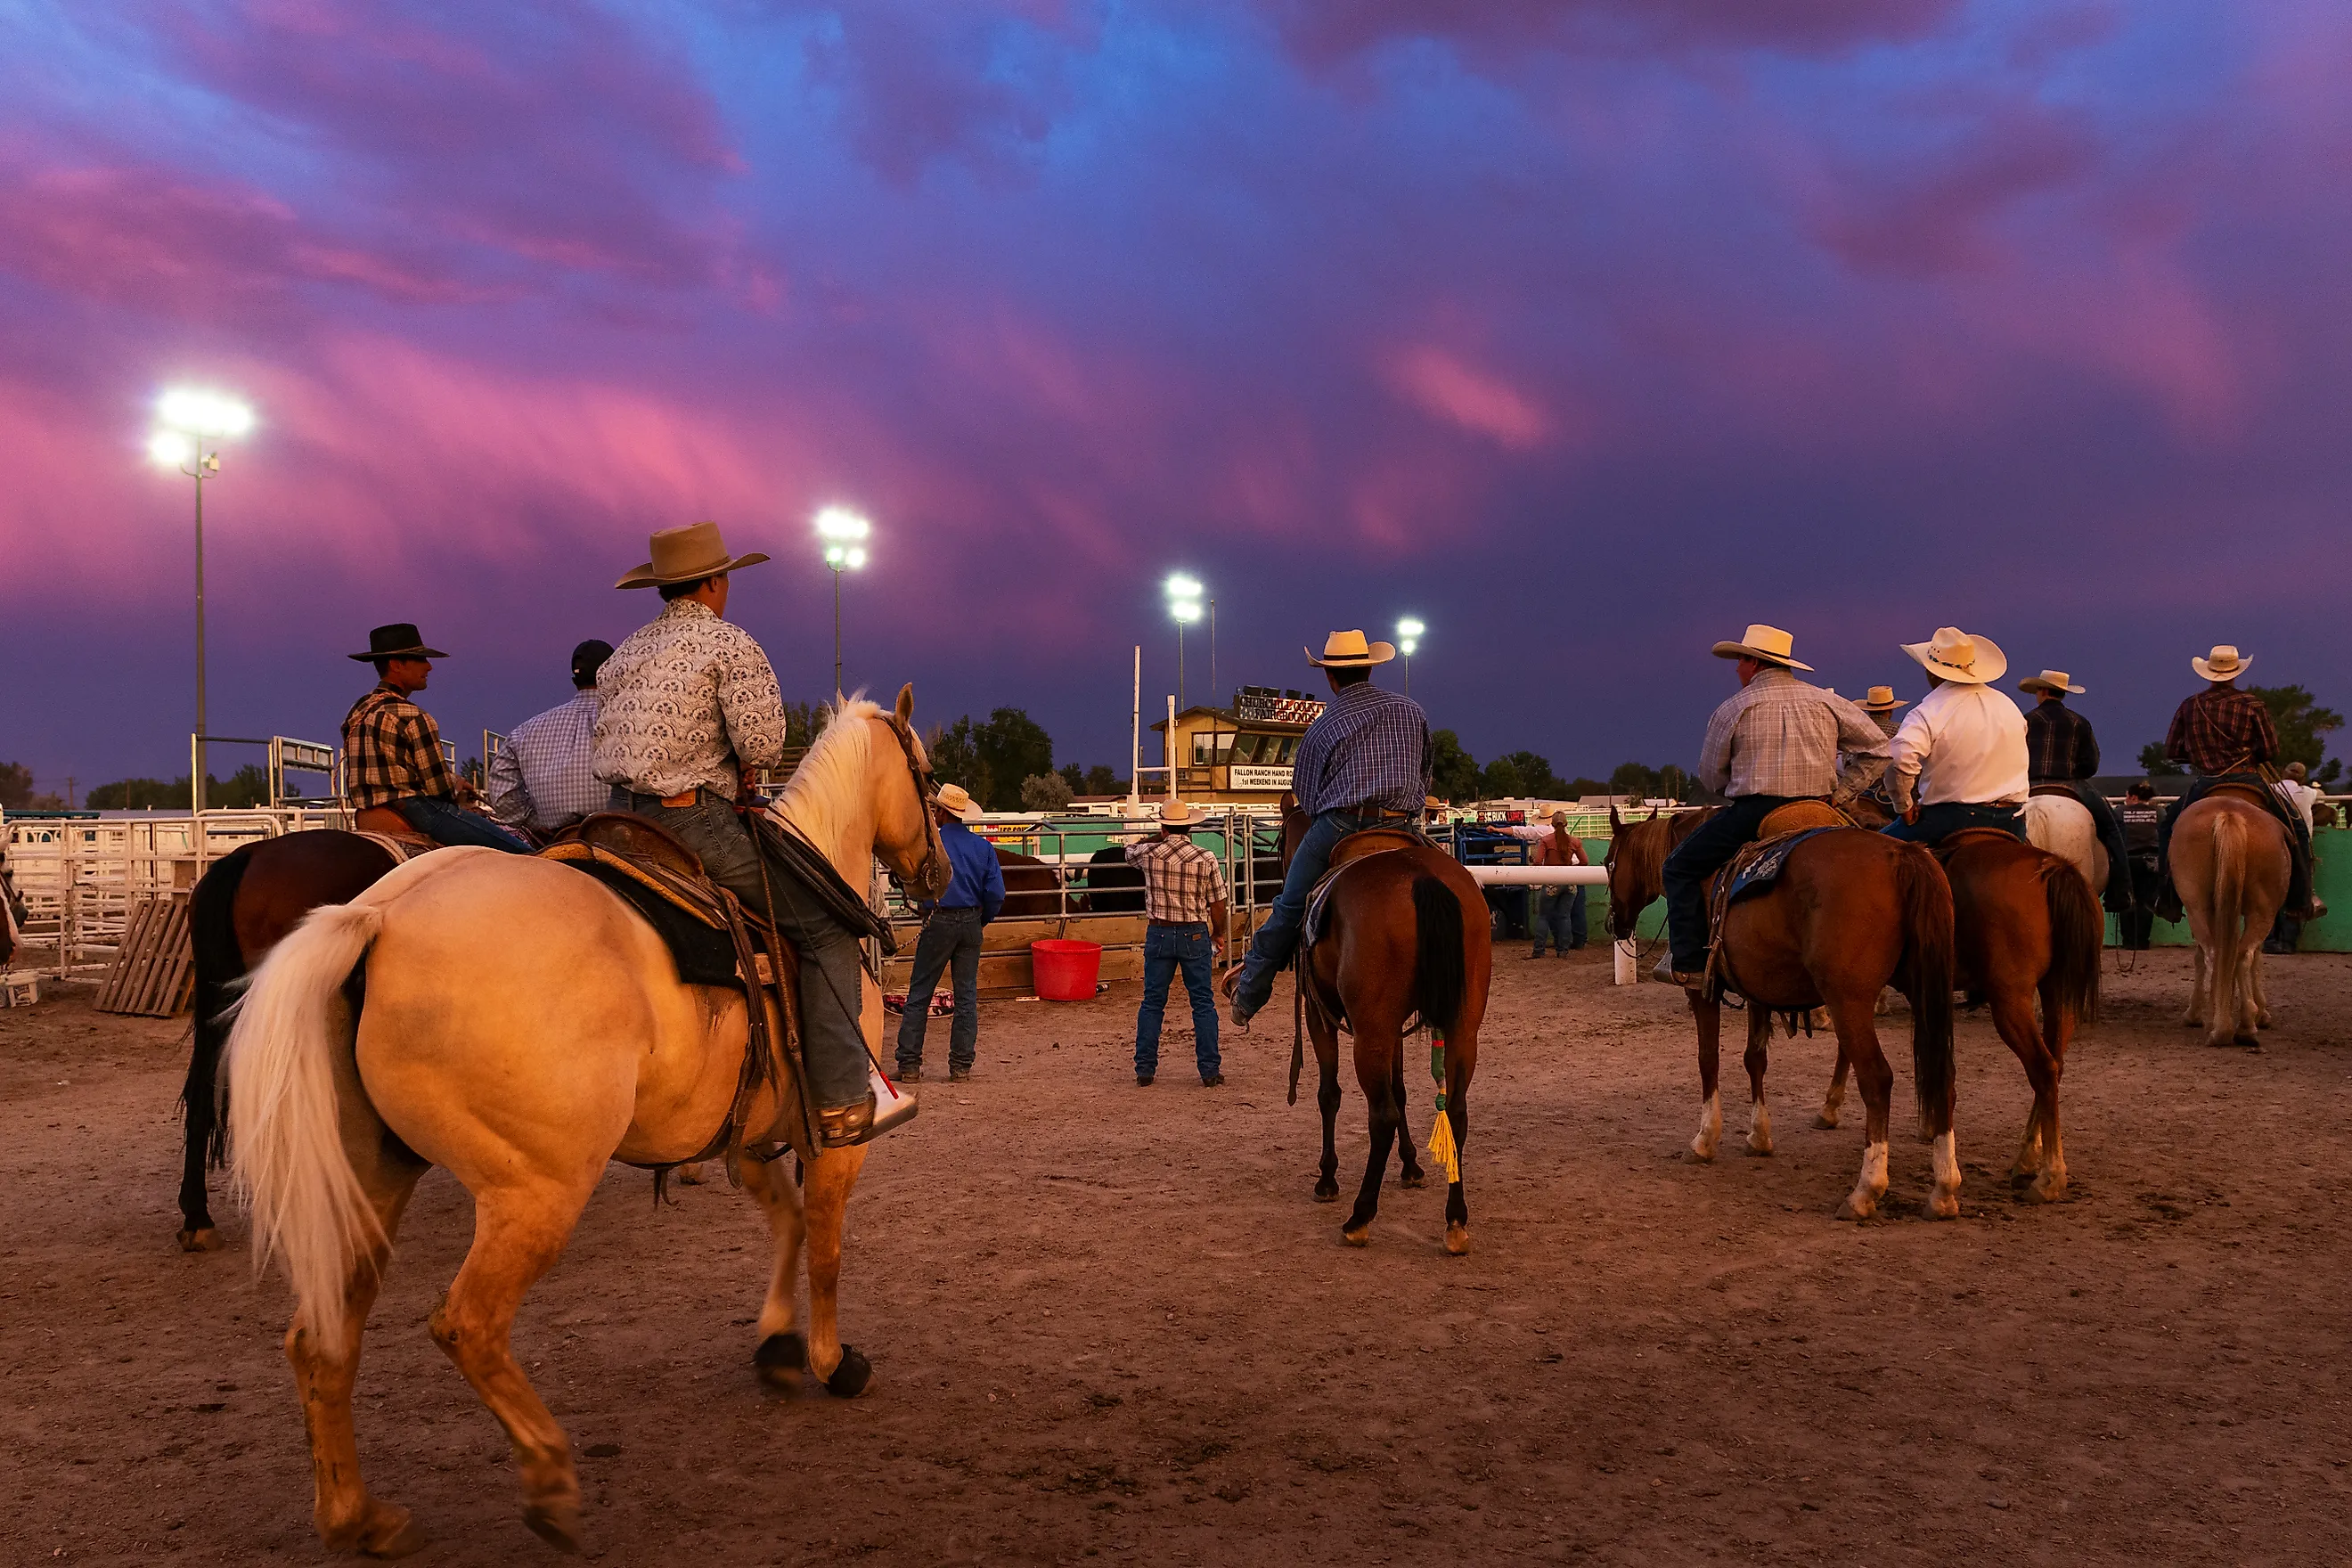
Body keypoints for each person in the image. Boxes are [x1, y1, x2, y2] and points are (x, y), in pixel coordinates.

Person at [593, 521, 906, 1147]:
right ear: (714, 582)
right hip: (692, 821)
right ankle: (843, 1100)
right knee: (825, 925)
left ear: (663, 588)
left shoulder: (622, 654)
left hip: (616, 822)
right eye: (726, 578)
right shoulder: (731, 645)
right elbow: (762, 744)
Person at [1657, 625, 1890, 987]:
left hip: (1755, 813)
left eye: (1739, 661)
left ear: (1753, 662)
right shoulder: (1828, 701)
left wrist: (1730, 787)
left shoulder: (1734, 707)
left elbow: (1710, 775)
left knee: (1678, 867)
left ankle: (1690, 962)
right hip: (1819, 810)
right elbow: (1879, 750)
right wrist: (1841, 794)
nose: (1736, 669)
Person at [1224, 629, 1431, 1030]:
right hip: (1402, 824)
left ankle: (1250, 993)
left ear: (1330, 677)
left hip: (1342, 825)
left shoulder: (1325, 725)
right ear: (1370, 668)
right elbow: (1425, 775)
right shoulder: (1412, 711)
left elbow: (1308, 796)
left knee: (1289, 904)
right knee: (1456, 884)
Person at [2155, 644, 2321, 923]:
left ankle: (2168, 899)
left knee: (2167, 828)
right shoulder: (2253, 704)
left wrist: (2198, 753)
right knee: (2298, 829)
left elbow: (2172, 750)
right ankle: (2302, 900)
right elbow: (2270, 750)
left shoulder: (2190, 705)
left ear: (2208, 672)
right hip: (2248, 777)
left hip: (2207, 781)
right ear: (2236, 672)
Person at [342, 624, 531, 851]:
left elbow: (391, 767)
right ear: (396, 664)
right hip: (416, 812)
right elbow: (438, 788)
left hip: (367, 814)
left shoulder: (358, 711)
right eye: (420, 659)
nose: (429, 667)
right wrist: (455, 789)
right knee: (520, 851)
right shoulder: (413, 717)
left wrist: (452, 781)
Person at [894, 783, 1003, 1082]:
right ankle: (960, 1065)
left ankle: (909, 1065)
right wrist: (981, 919)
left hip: (938, 919)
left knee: (920, 992)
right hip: (970, 920)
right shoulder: (983, 848)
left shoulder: (931, 845)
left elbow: (912, 881)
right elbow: (996, 893)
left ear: (942, 812)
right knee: (966, 995)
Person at [1881, 626, 2029, 847]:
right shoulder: (2009, 706)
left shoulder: (1929, 711)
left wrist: (1904, 806)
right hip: (2012, 820)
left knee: (1878, 847)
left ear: (1931, 672)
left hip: (1951, 819)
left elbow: (1899, 760)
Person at [1126, 800, 1230, 1087]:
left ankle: (1145, 1069)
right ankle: (1209, 1070)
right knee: (1202, 1003)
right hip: (1195, 933)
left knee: (1152, 1002)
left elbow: (1129, 852)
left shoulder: (1149, 853)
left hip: (1159, 932)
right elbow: (1218, 904)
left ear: (1163, 826)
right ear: (1190, 826)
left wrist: (1157, 838)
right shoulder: (1205, 857)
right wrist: (1217, 933)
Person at [2019, 668, 2135, 912]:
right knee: (2114, 828)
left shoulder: (2025, 720)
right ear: (2062, 693)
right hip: (2071, 785)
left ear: (2041, 692)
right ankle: (2121, 892)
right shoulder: (2079, 721)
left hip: (2027, 786)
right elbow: (2091, 764)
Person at [488, 639, 615, 843]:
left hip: (558, 838)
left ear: (575, 679)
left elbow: (503, 793)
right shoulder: (628, 721)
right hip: (617, 836)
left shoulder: (524, 731)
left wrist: (534, 822)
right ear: (613, 672)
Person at [1527, 810, 1588, 958]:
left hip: (1551, 884)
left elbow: (1537, 861)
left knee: (1543, 916)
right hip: (1569, 883)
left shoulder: (1546, 841)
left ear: (1552, 824)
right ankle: (1563, 950)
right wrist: (1571, 871)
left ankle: (1539, 950)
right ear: (1566, 824)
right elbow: (1584, 861)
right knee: (1564, 916)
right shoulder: (1575, 842)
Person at [2119, 780, 2164, 950]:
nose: (2126, 799)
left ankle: (2128, 941)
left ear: (2133, 797)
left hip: (2127, 860)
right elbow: (2164, 833)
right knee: (2146, 901)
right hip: (2151, 861)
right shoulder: (2158, 812)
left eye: (2127, 796)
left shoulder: (2120, 811)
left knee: (2127, 899)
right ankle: (2142, 941)